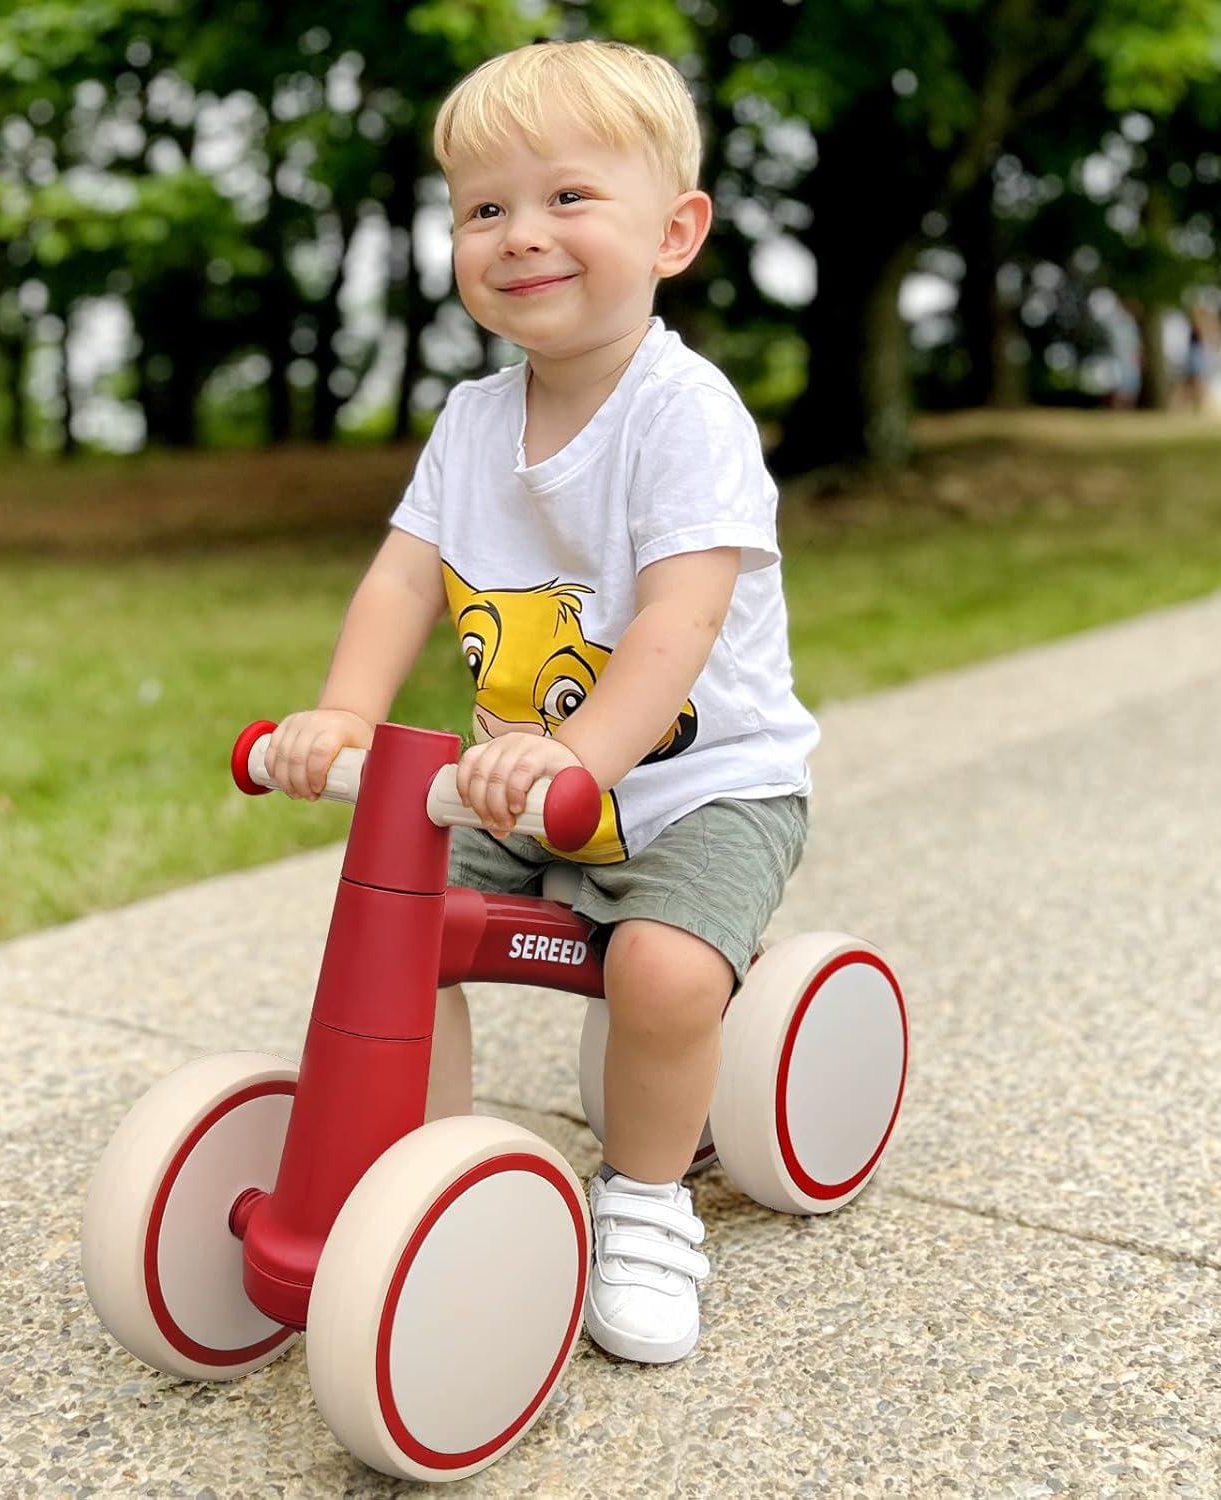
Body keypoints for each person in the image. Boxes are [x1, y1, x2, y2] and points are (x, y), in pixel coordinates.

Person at [263, 38, 817, 1365]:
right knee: (397, 918)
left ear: (674, 232)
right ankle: (428, 1176)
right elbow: (403, 581)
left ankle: (641, 1200)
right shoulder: (469, 422)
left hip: (701, 787)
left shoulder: (684, 414)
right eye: (485, 209)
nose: (522, 235)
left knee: (665, 971)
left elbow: (679, 628)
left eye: (569, 197)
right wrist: (342, 712)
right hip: (523, 782)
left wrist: (580, 752)